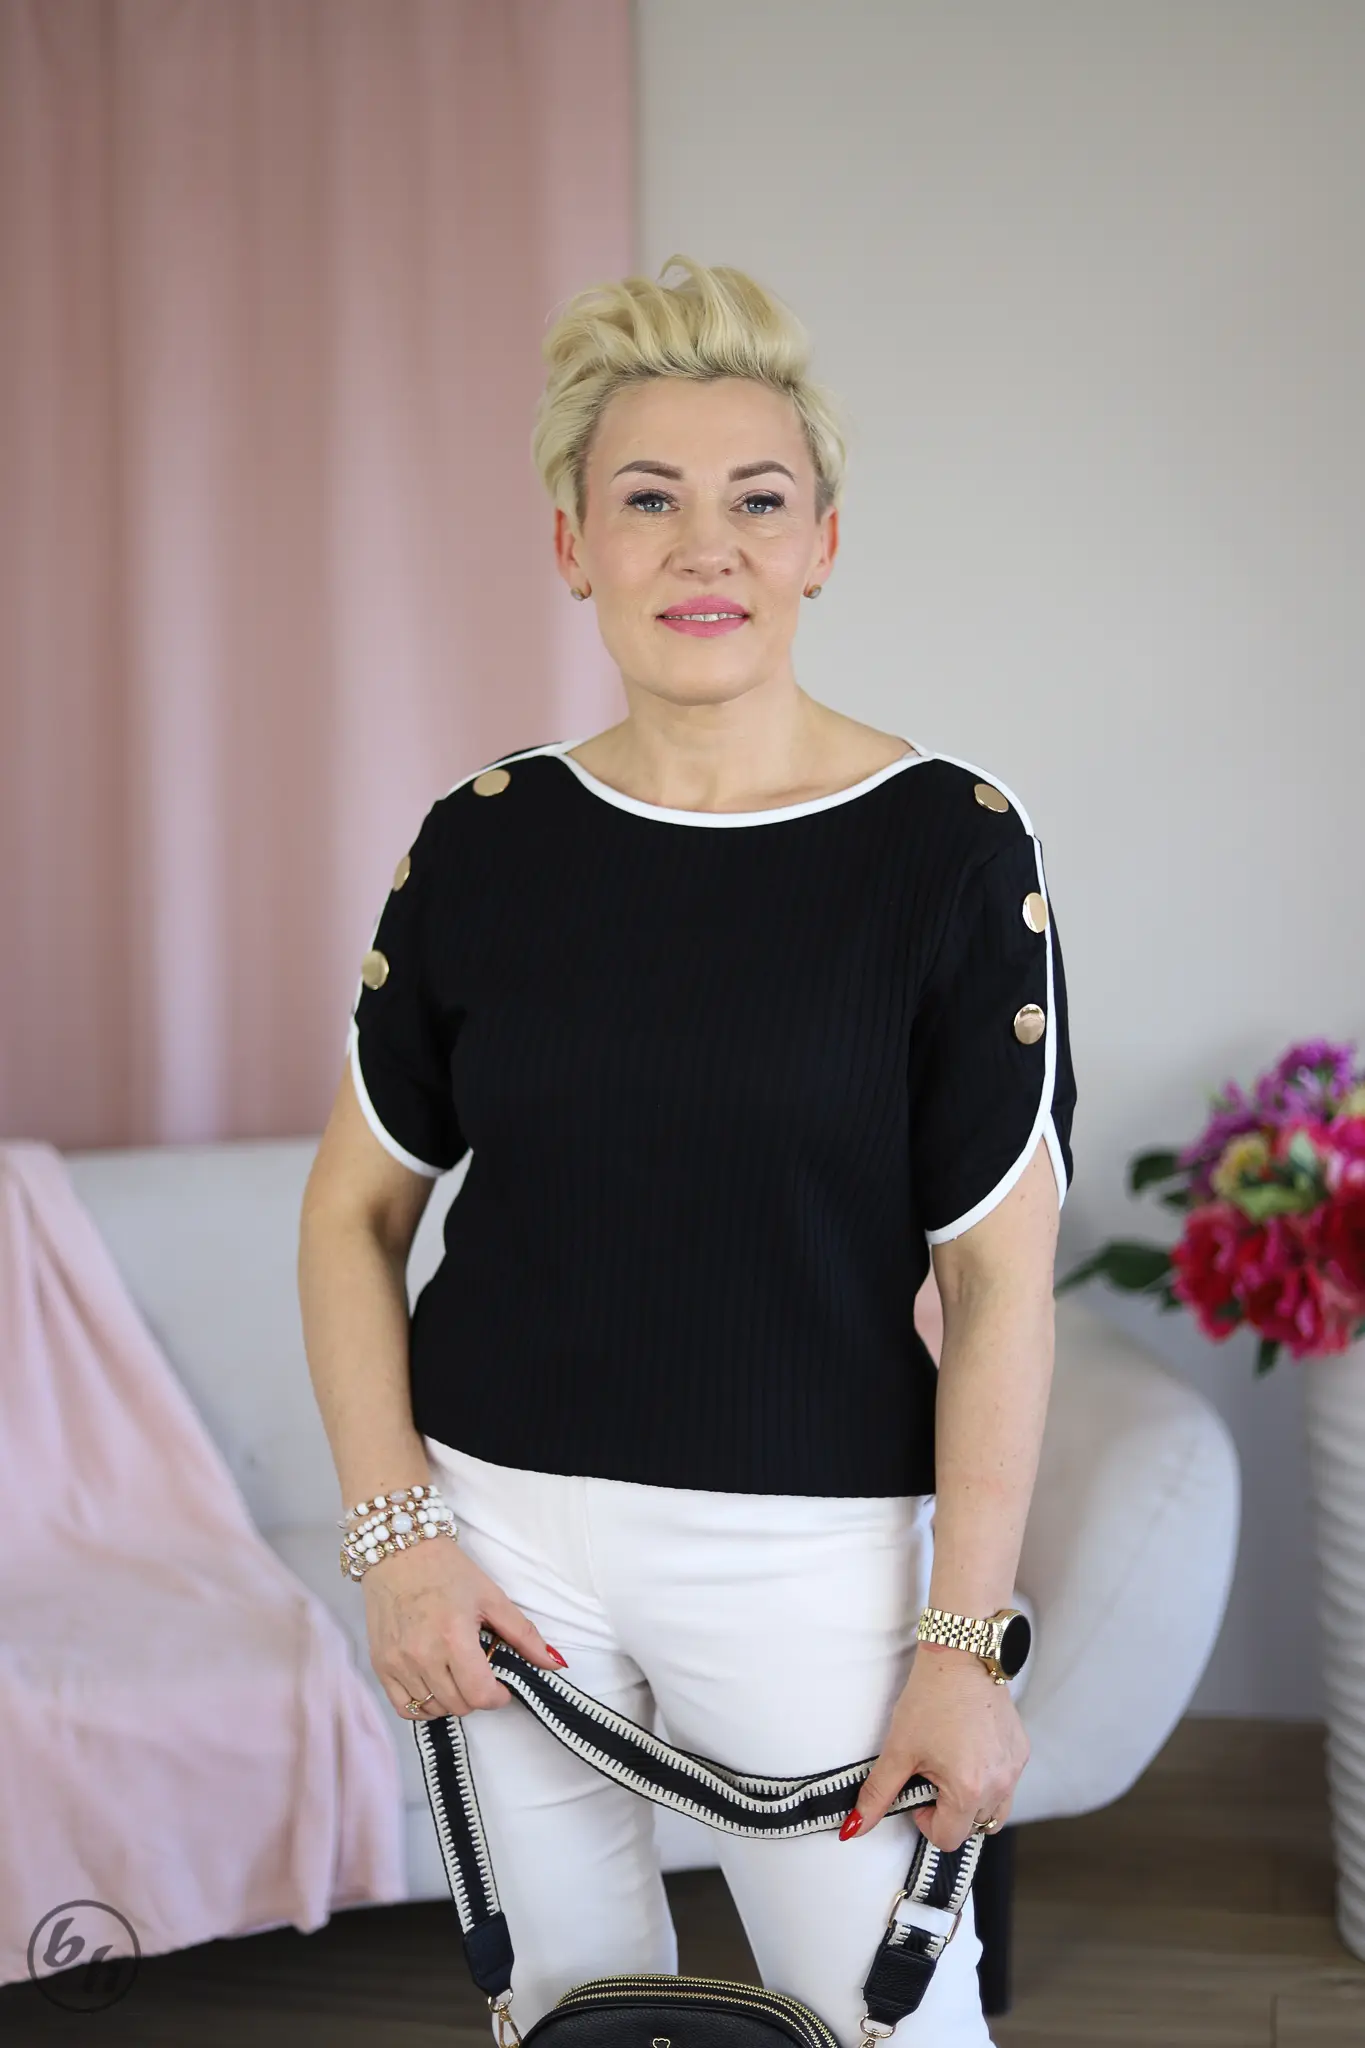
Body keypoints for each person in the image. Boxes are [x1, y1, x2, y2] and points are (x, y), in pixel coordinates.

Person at [298, 254, 1076, 2047]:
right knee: (561, 2016)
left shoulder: (951, 852)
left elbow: (997, 1282)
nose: (703, 546)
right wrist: (399, 1536)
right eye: (648, 499)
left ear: (823, 544)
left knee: (889, 2027)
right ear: (574, 543)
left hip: (811, 1555)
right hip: (496, 1545)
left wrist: (963, 1646)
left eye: (758, 501)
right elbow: (351, 1215)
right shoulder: (486, 843)